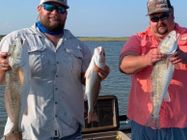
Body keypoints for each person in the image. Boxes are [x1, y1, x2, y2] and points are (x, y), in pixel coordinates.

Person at [0, 0, 109, 139]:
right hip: (28, 133)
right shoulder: (15, 39)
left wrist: (99, 74)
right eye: (49, 7)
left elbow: (85, 80)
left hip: (70, 131)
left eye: (61, 9)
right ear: (39, 9)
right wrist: (2, 68)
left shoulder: (79, 46)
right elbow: (3, 80)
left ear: (66, 14)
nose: (55, 12)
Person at [119, 0, 187, 139]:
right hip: (143, 121)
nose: (160, 21)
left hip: (182, 122)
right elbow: (123, 65)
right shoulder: (137, 39)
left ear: (172, 13)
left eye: (164, 16)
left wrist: (186, 57)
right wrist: (146, 59)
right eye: (154, 18)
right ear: (149, 20)